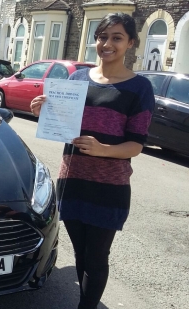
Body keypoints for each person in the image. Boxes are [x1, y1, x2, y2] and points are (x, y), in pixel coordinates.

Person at [30, 13, 155, 309]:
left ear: (130, 43)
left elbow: (135, 145)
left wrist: (102, 149)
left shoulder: (139, 88)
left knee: (97, 258)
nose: (107, 43)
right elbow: (60, 122)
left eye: (116, 37)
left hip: (107, 187)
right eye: (102, 37)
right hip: (72, 181)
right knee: (81, 255)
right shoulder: (76, 79)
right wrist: (43, 111)